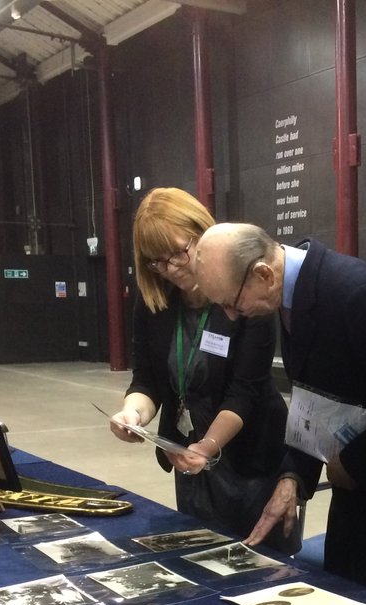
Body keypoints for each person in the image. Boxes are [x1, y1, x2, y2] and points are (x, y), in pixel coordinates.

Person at [195, 222, 366, 605]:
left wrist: (353, 463)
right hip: (353, 500)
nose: (232, 316)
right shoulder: (291, 300)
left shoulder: (358, 295)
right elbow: (317, 401)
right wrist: (293, 477)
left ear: (264, 274)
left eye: (232, 303)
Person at [109, 188, 294, 551]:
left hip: (250, 458)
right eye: (157, 261)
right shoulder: (154, 302)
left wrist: (207, 445)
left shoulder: (244, 293)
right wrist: (132, 413)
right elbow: (147, 379)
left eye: (179, 252)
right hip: (190, 457)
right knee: (199, 558)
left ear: (202, 232)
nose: (172, 268)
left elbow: (244, 393)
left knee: (256, 565)